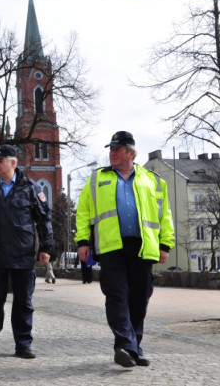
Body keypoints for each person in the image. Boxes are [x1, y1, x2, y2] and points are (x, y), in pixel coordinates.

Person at [75, 131, 174, 367]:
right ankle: (124, 346)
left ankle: (134, 347)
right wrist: (82, 242)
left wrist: (165, 243)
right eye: (111, 149)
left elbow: (165, 215)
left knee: (140, 298)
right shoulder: (96, 179)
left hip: (143, 247)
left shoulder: (153, 180)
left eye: (117, 150)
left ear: (131, 153)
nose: (112, 153)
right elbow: (83, 213)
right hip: (111, 247)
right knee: (116, 295)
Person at [0, 144, 53, 359]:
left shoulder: (30, 188)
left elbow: (44, 219)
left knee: (23, 301)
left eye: (0, 160)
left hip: (23, 254)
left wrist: (45, 247)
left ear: (13, 163)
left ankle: (23, 344)